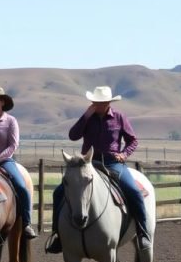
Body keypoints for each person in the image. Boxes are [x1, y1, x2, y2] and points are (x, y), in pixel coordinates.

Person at [46, 85, 149, 253]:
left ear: (108, 102)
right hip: (88, 164)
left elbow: (133, 141)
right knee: (58, 192)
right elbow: (73, 136)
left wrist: (124, 154)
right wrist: (85, 117)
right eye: (95, 102)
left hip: (113, 163)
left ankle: (143, 233)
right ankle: (58, 236)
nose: (98, 105)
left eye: (101, 102)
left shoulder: (119, 117)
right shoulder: (88, 118)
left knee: (134, 191)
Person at [0, 86, 38, 240]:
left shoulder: (11, 121)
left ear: (2, 102)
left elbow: (13, 145)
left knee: (21, 186)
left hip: (4, 161)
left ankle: (27, 224)